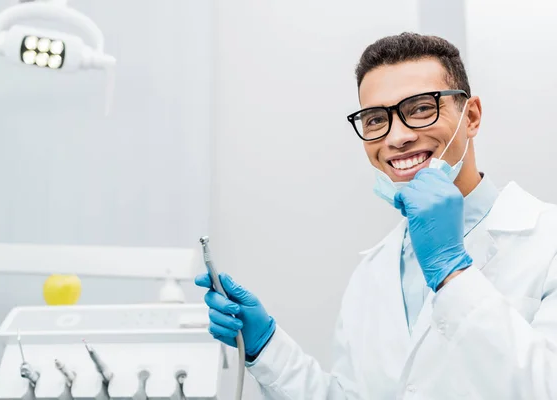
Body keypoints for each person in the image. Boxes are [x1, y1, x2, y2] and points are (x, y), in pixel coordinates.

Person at [195, 32, 557, 399]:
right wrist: (266, 347)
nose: (396, 137)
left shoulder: (548, 241)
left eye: (420, 108)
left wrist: (454, 275)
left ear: (472, 116)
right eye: (375, 120)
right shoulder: (374, 272)